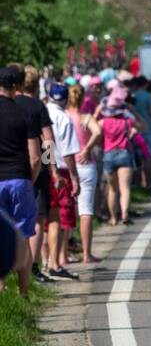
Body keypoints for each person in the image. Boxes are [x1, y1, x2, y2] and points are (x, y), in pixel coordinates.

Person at [12, 65, 55, 284]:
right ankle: (33, 265)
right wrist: (51, 168)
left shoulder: (10, 104)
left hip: (9, 168)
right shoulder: (37, 106)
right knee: (37, 219)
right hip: (34, 168)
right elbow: (47, 141)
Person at [0, 66, 41, 295]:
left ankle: (1, 288)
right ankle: (24, 292)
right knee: (24, 236)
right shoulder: (26, 112)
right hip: (21, 179)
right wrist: (31, 180)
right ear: (16, 86)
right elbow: (37, 156)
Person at [43, 84, 82, 279]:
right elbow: (67, 151)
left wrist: (48, 165)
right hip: (61, 171)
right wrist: (74, 177)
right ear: (66, 99)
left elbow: (46, 144)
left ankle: (44, 261)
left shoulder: (41, 112)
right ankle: (56, 261)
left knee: (43, 218)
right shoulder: (64, 118)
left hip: (45, 169)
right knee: (58, 218)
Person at [66, 85, 102, 264]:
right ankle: (87, 254)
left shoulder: (62, 117)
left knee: (66, 208)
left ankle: (61, 255)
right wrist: (87, 148)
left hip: (66, 165)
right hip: (85, 164)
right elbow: (98, 132)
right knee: (86, 210)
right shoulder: (85, 118)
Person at [97, 87, 139, 226]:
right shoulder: (127, 121)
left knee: (112, 189)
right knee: (125, 188)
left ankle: (113, 218)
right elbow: (144, 126)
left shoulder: (103, 122)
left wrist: (97, 111)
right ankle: (125, 214)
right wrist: (133, 111)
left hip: (108, 155)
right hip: (124, 153)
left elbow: (91, 130)